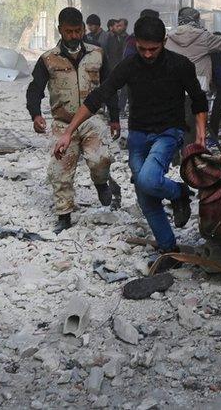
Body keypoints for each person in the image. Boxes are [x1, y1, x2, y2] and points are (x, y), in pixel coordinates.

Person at [53, 15, 206, 273]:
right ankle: (169, 249)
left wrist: (200, 136)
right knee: (145, 197)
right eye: (142, 48)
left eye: (153, 49)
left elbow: (199, 100)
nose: (147, 54)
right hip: (138, 134)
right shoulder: (129, 65)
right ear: (136, 43)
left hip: (168, 132)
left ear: (164, 42)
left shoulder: (180, 65)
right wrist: (69, 131)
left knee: (147, 179)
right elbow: (98, 97)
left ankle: (180, 193)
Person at [26, 7, 121, 233]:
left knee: (100, 159)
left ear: (82, 29)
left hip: (92, 119)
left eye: (78, 31)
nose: (74, 36)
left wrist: (115, 118)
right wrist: (36, 114)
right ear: (60, 30)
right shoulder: (47, 59)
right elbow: (35, 89)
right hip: (62, 123)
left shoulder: (98, 54)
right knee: (60, 170)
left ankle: (101, 183)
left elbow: (110, 88)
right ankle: (64, 214)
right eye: (68, 32)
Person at [166, 7, 221, 149]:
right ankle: (188, 154)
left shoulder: (169, 38)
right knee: (193, 121)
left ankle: (175, 153)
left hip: (173, 86)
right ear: (196, 20)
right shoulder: (203, 37)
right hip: (196, 86)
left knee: (175, 119)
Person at [106, 17, 130, 114]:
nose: (118, 28)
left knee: (124, 89)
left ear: (125, 26)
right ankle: (110, 109)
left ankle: (121, 108)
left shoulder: (128, 39)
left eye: (120, 25)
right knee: (111, 88)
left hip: (123, 66)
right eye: (117, 25)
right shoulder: (111, 37)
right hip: (112, 66)